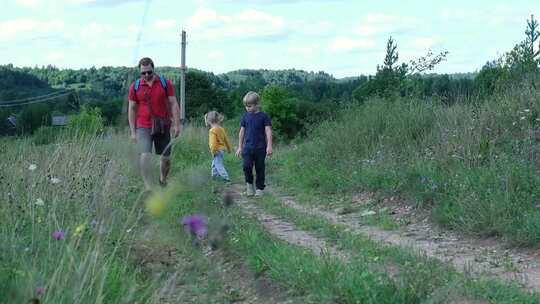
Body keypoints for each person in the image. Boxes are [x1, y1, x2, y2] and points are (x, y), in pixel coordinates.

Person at [128, 57, 182, 190]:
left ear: (153, 70)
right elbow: (132, 108)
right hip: (143, 125)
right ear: (140, 72)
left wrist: (177, 124)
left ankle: (163, 180)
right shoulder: (135, 87)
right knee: (145, 155)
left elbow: (173, 103)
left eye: (149, 72)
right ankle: (148, 188)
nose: (146, 75)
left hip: (163, 125)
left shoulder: (165, 83)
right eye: (143, 73)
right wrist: (133, 132)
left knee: (165, 158)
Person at [235, 91, 273, 196]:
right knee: (246, 166)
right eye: (246, 106)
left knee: (260, 168)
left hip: (260, 148)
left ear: (257, 104)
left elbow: (268, 131)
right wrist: (239, 147)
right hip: (247, 148)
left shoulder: (264, 116)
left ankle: (260, 189)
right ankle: (249, 186)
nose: (247, 108)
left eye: (250, 106)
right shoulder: (245, 117)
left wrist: (269, 146)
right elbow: (241, 132)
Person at [205, 110, 232, 182]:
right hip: (222, 149)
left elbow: (212, 143)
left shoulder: (212, 130)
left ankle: (226, 178)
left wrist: (213, 151)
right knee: (214, 164)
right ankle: (214, 177)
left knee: (218, 164)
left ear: (209, 121)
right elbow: (226, 140)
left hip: (216, 150)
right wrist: (229, 149)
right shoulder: (221, 129)